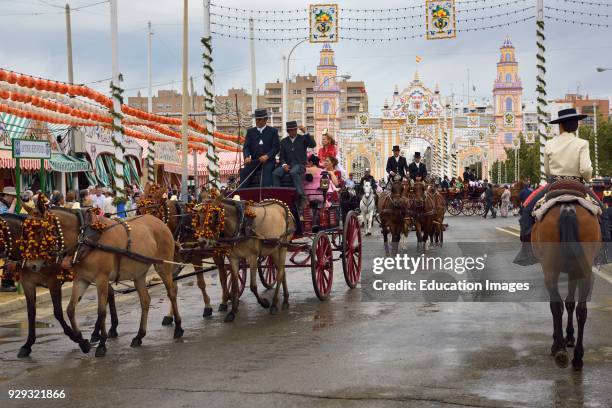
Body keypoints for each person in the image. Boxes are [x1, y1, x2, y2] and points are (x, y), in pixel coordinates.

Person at [514, 108, 611, 265]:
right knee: (603, 213)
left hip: (555, 184)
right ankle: (605, 251)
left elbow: (546, 170)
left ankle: (527, 251)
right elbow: (586, 170)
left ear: (560, 126)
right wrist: (586, 177)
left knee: (526, 210)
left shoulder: (550, 144)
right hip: (578, 185)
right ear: (576, 126)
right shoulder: (582, 143)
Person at [273, 121, 316, 209]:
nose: (293, 131)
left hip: (300, 165)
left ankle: (302, 196)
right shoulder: (284, 141)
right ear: (288, 131)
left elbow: (313, 144)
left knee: (293, 172)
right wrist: (284, 164)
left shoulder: (303, 138)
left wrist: (306, 132)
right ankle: (277, 197)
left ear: (296, 129)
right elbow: (282, 157)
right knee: (275, 173)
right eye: (291, 130)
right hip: (288, 165)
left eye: (294, 129)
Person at [240, 108, 280, 187]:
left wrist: (267, 156)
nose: (257, 121)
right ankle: (242, 196)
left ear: (266, 119)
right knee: (244, 172)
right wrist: (247, 157)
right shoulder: (250, 132)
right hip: (255, 160)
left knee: (266, 172)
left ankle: (266, 195)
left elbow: (276, 147)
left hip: (269, 161)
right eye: (256, 119)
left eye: (260, 119)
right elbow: (246, 147)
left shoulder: (273, 131)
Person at [0, 187, 17, 292]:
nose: (13, 198)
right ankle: (6, 283)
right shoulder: (1, 205)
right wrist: (14, 205)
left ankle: (9, 281)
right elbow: (6, 217)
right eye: (12, 196)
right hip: (2, 235)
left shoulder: (5, 205)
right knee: (8, 256)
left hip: (7, 234)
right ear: (6, 195)